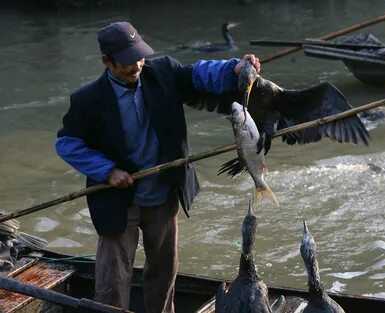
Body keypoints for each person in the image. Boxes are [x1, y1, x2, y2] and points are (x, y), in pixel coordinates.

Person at [55, 21, 260, 313]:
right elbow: (67, 144)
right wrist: (107, 171)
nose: (136, 65)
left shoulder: (163, 72)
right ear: (107, 62)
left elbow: (199, 74)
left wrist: (234, 69)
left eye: (139, 56)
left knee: (163, 273)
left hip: (163, 194)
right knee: (113, 278)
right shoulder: (88, 99)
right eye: (126, 62)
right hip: (116, 202)